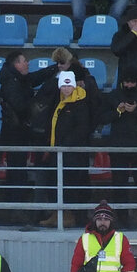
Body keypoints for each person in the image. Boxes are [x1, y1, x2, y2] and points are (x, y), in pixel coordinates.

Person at [0, 50, 58, 220]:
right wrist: (38, 104)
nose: (27, 63)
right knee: (17, 171)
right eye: (24, 61)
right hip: (14, 133)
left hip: (19, 132)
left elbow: (35, 78)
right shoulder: (11, 83)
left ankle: (17, 207)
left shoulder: (17, 79)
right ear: (16, 64)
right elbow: (21, 106)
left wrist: (55, 68)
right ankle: (15, 209)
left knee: (18, 171)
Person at [99, 66, 137, 223]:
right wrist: (118, 111)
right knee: (119, 184)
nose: (129, 85)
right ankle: (122, 217)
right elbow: (103, 118)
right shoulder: (113, 96)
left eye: (132, 82)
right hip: (119, 146)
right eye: (126, 81)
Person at [39, 71, 94, 228]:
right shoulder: (57, 101)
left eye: (69, 85)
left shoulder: (81, 102)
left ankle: (70, 215)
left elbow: (82, 128)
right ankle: (57, 214)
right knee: (54, 183)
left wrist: (65, 144)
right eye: (63, 85)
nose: (66, 89)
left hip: (73, 154)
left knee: (70, 184)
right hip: (56, 151)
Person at [68, 201, 137, 272]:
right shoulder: (84, 239)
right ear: (95, 221)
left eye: (106, 219)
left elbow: (129, 265)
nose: (103, 222)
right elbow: (75, 267)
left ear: (111, 221)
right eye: (99, 219)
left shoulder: (121, 239)